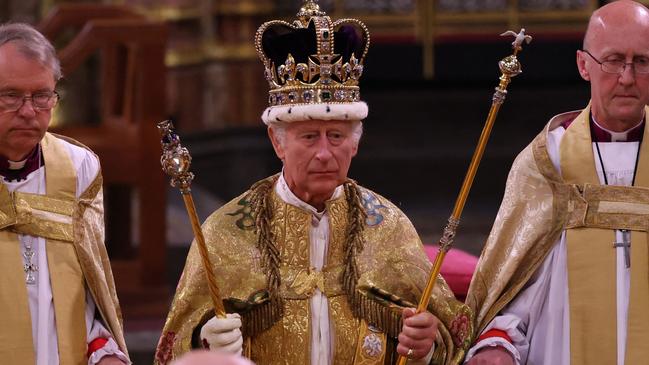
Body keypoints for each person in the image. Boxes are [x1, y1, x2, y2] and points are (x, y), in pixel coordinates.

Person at [155, 1, 472, 364]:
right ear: (278, 142)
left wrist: (427, 345)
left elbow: (453, 334)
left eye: (336, 136)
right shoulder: (225, 233)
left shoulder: (390, 226)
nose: (324, 153)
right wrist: (204, 341)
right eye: (309, 137)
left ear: (355, 144)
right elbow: (174, 346)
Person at [464, 1, 649, 364]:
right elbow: (514, 287)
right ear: (584, 65)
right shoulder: (548, 162)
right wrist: (497, 342)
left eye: (642, 61)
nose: (627, 77)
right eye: (612, 60)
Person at [0, 23, 129, 364]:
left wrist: (104, 352)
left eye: (42, 96)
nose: (28, 111)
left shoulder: (77, 169)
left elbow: (88, 290)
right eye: (10, 96)